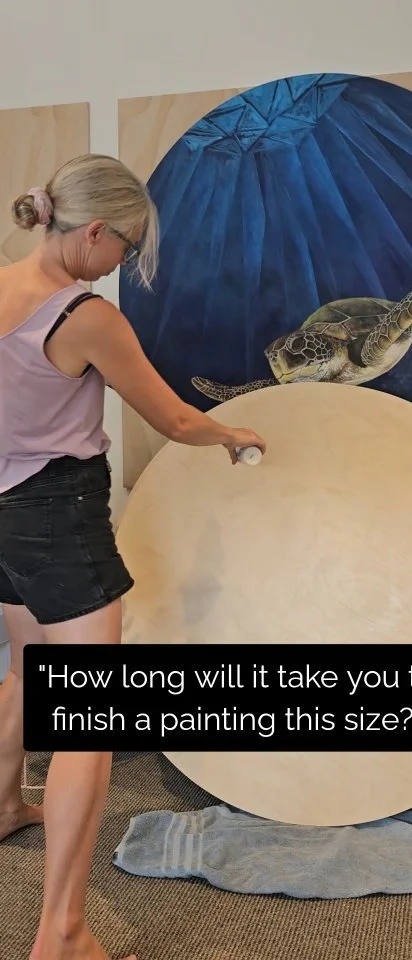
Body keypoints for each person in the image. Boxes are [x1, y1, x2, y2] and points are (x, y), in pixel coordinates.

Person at [0, 153, 266, 960]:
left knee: (27, 670)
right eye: (126, 245)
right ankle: (63, 933)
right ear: (93, 231)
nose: (124, 262)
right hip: (56, 513)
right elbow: (175, 419)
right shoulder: (83, 315)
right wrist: (232, 433)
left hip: (2, 516)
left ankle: (4, 806)